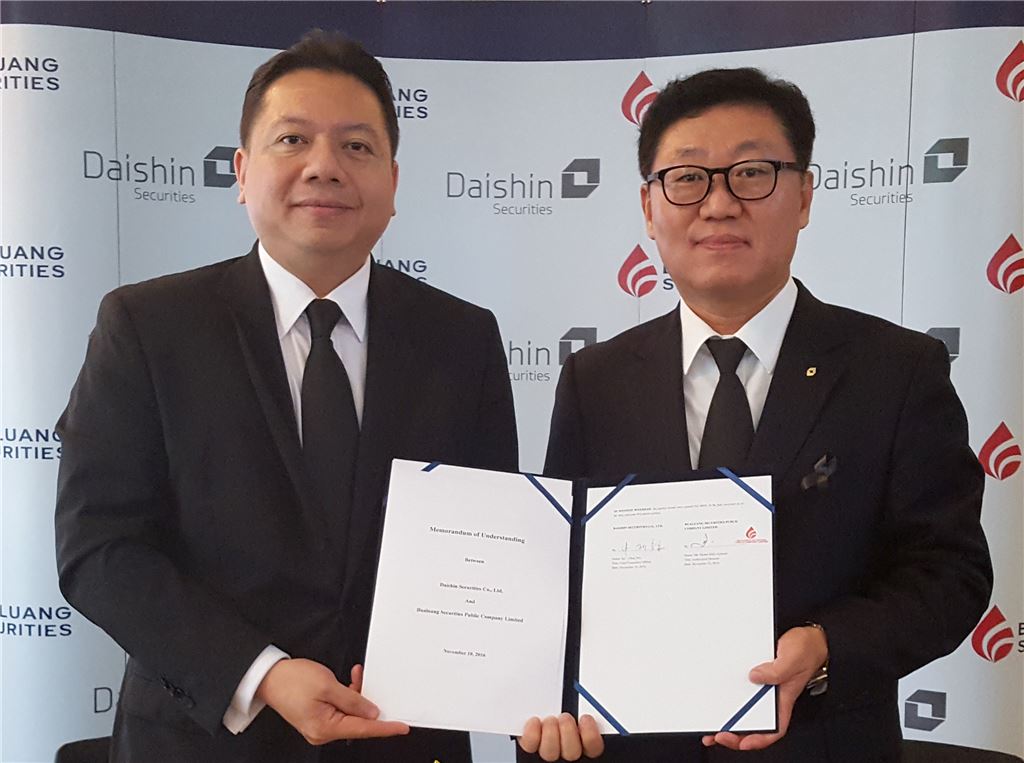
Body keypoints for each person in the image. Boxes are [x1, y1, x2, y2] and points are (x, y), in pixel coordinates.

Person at [55, 31, 517, 763]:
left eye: (357, 146)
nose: (324, 166)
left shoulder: (462, 339)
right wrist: (263, 673)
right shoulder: (147, 326)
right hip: (203, 743)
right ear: (242, 171)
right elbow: (99, 549)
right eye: (292, 139)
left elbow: (492, 544)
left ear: (393, 182)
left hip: (399, 739)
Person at [520, 67, 992, 763]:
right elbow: (560, 578)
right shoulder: (595, 379)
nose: (718, 204)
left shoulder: (896, 370)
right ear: (649, 207)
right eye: (687, 178)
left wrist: (827, 646)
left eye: (751, 174)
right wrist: (540, 702)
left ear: (803, 195)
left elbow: (949, 574)